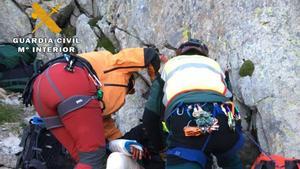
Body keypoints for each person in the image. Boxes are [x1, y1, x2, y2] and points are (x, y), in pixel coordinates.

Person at [22, 47, 162, 169]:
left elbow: (106, 130)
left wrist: (123, 145)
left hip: (40, 92)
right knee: (93, 160)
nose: (126, 95)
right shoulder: (117, 64)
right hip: (69, 82)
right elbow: (149, 55)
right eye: (129, 89)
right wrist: (156, 80)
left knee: (81, 157)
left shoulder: (95, 103)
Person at [142, 39, 244, 169]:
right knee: (230, 157)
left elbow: (150, 117)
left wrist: (160, 148)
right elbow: (230, 101)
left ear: (180, 54)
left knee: (185, 159)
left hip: (186, 122)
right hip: (223, 119)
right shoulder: (215, 65)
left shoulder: (169, 67)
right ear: (204, 54)